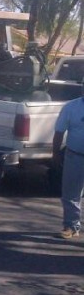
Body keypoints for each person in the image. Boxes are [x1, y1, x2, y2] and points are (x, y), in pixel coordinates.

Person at [52, 78, 84, 239]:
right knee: (71, 194)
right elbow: (59, 132)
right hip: (75, 157)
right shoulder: (71, 107)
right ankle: (71, 226)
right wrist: (55, 154)